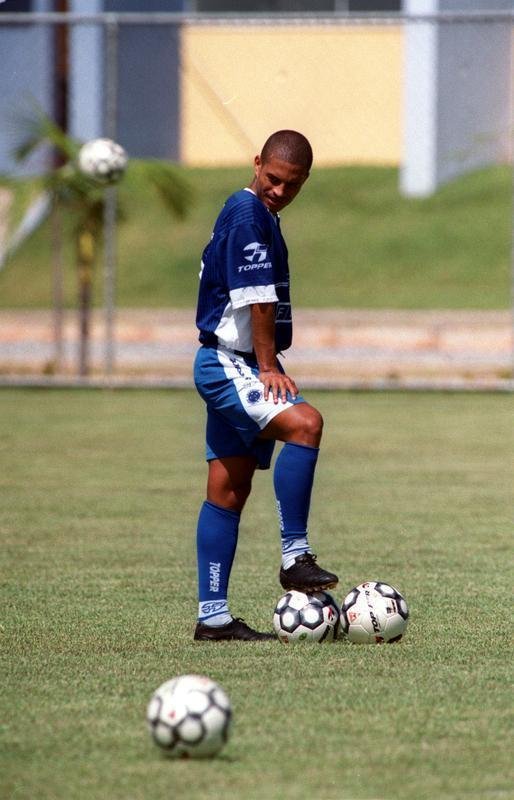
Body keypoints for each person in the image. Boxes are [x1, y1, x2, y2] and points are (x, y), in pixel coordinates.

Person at [193, 130, 338, 642]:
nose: (279, 190)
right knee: (306, 423)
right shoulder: (248, 213)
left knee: (228, 490)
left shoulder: (259, 214)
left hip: (231, 360)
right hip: (230, 363)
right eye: (273, 178)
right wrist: (267, 366)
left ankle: (213, 618)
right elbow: (258, 300)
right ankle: (295, 556)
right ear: (257, 163)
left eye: (291, 185)